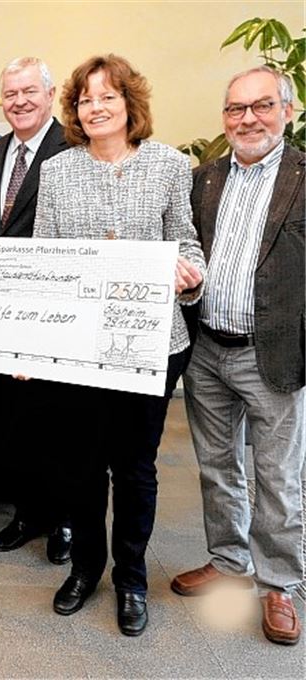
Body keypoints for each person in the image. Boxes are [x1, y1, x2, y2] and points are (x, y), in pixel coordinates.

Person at [33, 55, 205, 637]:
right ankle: (86, 568)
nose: (96, 107)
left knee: (135, 468)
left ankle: (131, 576)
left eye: (108, 96)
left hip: (152, 344)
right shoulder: (57, 171)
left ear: (131, 104)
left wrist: (189, 272)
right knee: (80, 466)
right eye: (85, 99)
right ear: (75, 110)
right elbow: (43, 260)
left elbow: (188, 241)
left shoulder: (169, 165)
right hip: (79, 347)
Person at [171, 66, 304, 646]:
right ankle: (228, 562)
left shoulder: (304, 177)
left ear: (288, 111)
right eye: (234, 109)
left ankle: (279, 584)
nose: (246, 118)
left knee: (277, 474)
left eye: (261, 106)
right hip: (208, 349)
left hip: (270, 352)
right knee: (218, 465)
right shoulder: (204, 179)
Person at [0, 57, 73, 565]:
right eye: (10, 93)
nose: (18, 101)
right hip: (4, 308)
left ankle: (62, 520)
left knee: (55, 419)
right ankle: (27, 512)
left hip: (53, 307)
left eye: (28, 92)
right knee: (13, 416)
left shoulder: (71, 148)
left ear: (50, 94)